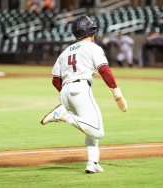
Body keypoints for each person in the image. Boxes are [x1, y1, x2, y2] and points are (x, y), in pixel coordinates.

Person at [40, 16, 127, 174]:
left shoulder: (65, 51)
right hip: (80, 89)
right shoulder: (93, 47)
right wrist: (117, 93)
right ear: (92, 31)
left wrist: (67, 95)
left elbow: (55, 80)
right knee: (98, 130)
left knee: (89, 126)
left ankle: (92, 162)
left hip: (65, 91)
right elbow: (104, 70)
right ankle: (63, 115)